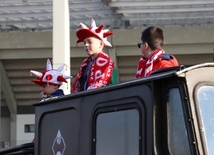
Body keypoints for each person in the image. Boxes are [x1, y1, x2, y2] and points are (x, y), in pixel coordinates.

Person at [72, 18, 118, 93]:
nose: (86, 45)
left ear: (101, 44)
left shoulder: (108, 66)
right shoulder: (85, 65)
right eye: (84, 43)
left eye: (90, 42)